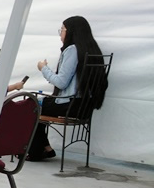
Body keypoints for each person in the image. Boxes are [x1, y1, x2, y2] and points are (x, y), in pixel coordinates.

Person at [27, 16, 106, 161]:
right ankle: (46, 148)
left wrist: (43, 68)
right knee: (37, 105)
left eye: (62, 29)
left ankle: (36, 151)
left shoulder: (72, 50)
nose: (61, 33)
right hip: (84, 107)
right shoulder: (92, 50)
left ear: (71, 31)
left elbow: (61, 83)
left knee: (29, 105)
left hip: (69, 106)